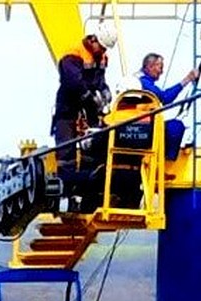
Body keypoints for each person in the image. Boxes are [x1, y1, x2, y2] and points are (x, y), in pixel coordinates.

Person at [53, 19, 116, 207]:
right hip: (69, 109)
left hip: (89, 110)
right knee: (67, 152)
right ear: (93, 39)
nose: (103, 52)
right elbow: (73, 84)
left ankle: (89, 191)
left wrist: (105, 91)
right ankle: (70, 191)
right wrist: (91, 97)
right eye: (102, 48)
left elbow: (100, 80)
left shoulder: (102, 57)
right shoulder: (73, 54)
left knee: (94, 147)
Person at [138, 52, 200, 158]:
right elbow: (165, 97)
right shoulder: (143, 83)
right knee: (175, 127)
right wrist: (187, 79)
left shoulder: (140, 81)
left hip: (142, 128)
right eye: (160, 67)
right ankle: (167, 161)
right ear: (150, 66)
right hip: (144, 129)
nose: (161, 72)